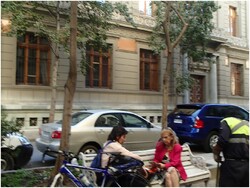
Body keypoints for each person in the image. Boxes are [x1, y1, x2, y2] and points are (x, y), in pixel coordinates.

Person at [212, 117, 249, 187]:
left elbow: (222, 140)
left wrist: (216, 153)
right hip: (247, 166)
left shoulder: (226, 121)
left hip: (231, 166)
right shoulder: (247, 125)